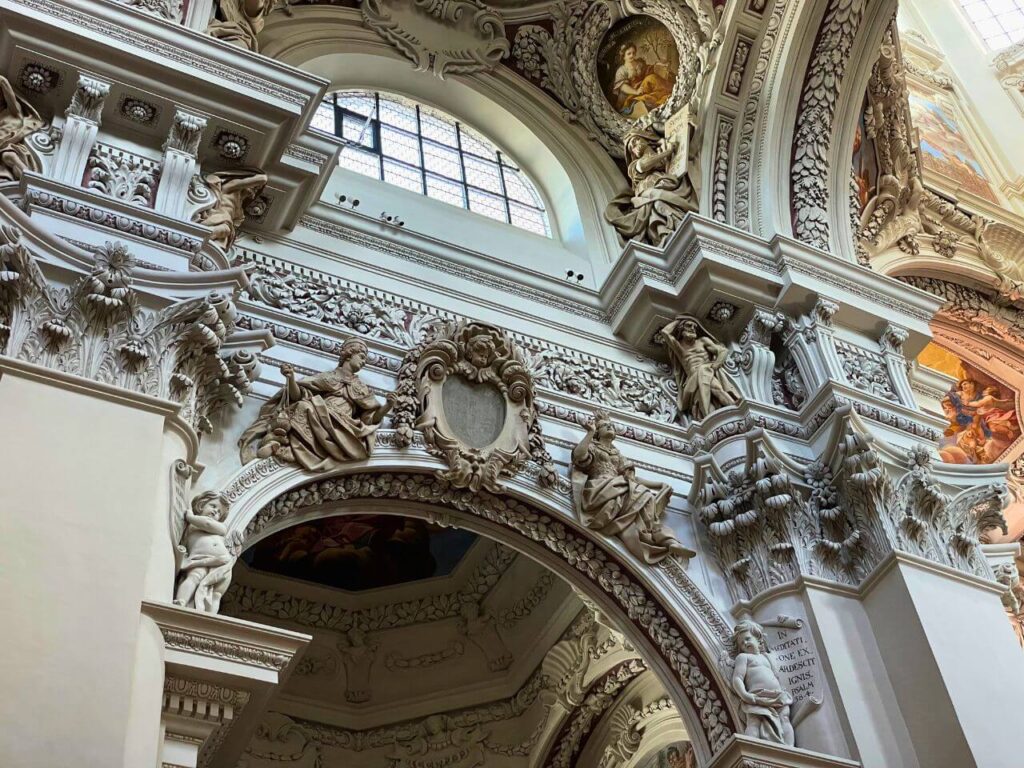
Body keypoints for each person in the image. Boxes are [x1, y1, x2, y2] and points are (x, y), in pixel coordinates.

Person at [238, 337, 394, 471]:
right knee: (303, 406)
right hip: (323, 414)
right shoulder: (329, 377)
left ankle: (294, 450)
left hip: (344, 425)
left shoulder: (361, 387)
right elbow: (298, 394)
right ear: (349, 354)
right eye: (361, 356)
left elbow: (370, 418)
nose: (364, 362)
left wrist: (387, 406)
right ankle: (286, 445)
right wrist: (291, 378)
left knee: (307, 406)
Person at [571, 409, 693, 564]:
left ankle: (655, 535)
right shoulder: (593, 447)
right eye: (604, 426)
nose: (609, 427)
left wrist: (658, 485)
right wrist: (589, 433)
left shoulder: (618, 455)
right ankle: (656, 536)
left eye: (611, 425)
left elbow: (632, 479)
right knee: (638, 492)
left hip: (620, 486)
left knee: (646, 495)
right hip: (600, 487)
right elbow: (579, 456)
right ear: (598, 432)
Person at [604, 128, 694, 247]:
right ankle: (664, 234)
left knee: (660, 202)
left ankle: (678, 224)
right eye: (632, 148)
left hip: (665, 184)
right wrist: (666, 153)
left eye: (636, 141)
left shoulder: (660, 154)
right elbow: (643, 166)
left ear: (646, 139)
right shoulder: (634, 166)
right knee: (657, 204)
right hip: (647, 194)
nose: (635, 147)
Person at [658, 315, 741, 422]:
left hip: (707, 371)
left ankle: (733, 409)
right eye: (689, 325)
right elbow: (665, 333)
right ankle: (714, 417)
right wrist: (679, 320)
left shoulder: (703, 341)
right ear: (681, 328)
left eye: (694, 326)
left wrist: (716, 365)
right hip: (693, 380)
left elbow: (722, 351)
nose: (692, 328)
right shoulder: (679, 348)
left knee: (716, 389)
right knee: (703, 401)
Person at [730, 620, 794, 746]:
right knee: (754, 721)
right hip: (756, 696)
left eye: (748, 639)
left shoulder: (767, 657)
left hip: (777, 695)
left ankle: (790, 747)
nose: (745, 643)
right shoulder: (744, 657)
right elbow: (737, 678)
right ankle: (750, 748)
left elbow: (775, 676)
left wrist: (782, 690)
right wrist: (744, 695)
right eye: (742, 643)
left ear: (758, 638)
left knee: (785, 718)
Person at [175, 491, 235, 613]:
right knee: (194, 577)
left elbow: (207, 523)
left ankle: (210, 615)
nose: (215, 512)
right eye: (213, 506)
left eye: (219, 512)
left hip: (223, 562)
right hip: (200, 560)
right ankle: (181, 601)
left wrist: (191, 517)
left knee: (217, 593)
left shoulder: (218, 527)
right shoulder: (192, 526)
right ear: (201, 505)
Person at [198, 168, 268, 251]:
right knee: (226, 229)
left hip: (225, 227)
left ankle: (202, 243)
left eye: (256, 189)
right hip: (216, 217)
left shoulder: (240, 212)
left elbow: (234, 225)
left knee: (220, 244)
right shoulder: (230, 188)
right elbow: (263, 179)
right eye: (254, 186)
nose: (254, 189)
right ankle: (198, 237)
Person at [610, 43, 674, 118]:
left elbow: (648, 69)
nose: (632, 55)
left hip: (643, 87)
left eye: (633, 53)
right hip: (630, 94)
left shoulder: (639, 63)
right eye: (629, 54)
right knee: (650, 80)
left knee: (652, 78)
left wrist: (660, 65)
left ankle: (670, 90)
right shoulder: (621, 70)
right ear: (623, 56)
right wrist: (636, 92)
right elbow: (623, 87)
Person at [0, 75, 44, 182]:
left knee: (8, 156)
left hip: (10, 146)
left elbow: (4, 82)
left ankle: (31, 183)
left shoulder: (13, 111)